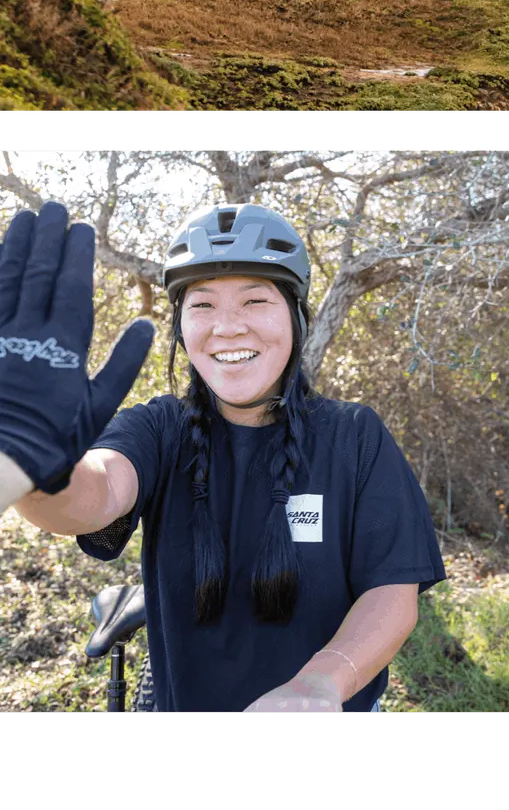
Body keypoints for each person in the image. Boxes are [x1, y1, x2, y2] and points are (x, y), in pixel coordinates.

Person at [3, 201, 446, 713]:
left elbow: (392, 594)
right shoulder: (158, 427)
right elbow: (92, 493)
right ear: (180, 327)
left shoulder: (353, 435)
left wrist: (319, 684)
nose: (229, 328)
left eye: (255, 301)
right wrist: (31, 462)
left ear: (297, 318)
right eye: (203, 305)